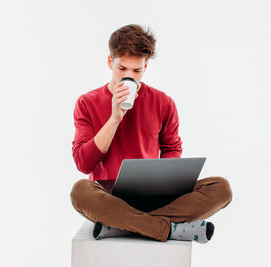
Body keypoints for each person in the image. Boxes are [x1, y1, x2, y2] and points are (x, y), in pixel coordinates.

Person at [70, 24, 232, 243]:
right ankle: (168, 229)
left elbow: (171, 148)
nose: (128, 76)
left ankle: (121, 226)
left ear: (145, 67)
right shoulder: (87, 103)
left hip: (154, 195)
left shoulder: (163, 102)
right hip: (109, 197)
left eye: (136, 71)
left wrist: (165, 183)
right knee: (80, 192)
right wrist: (114, 118)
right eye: (122, 69)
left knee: (221, 189)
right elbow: (83, 163)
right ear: (110, 63)